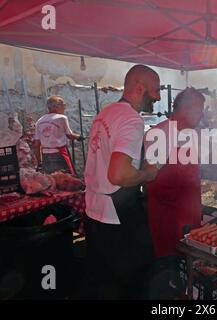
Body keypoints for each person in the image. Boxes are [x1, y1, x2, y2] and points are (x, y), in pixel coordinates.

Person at [84, 65, 160, 299]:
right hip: (117, 216)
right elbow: (118, 175)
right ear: (140, 88)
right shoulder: (132, 119)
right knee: (133, 285)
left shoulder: (106, 112)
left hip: (93, 213)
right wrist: (148, 173)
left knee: (103, 284)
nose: (157, 97)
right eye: (156, 91)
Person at [144, 88, 205, 298]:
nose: (202, 114)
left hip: (190, 216)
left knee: (190, 269)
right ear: (186, 109)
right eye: (200, 109)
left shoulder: (191, 134)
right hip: (169, 220)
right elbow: (150, 180)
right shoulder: (159, 135)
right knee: (170, 273)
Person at [33, 95, 83, 174]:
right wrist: (79, 137)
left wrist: (39, 162)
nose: (64, 107)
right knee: (66, 181)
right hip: (59, 155)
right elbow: (69, 135)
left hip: (46, 156)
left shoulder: (39, 121)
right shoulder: (61, 118)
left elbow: (36, 145)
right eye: (63, 104)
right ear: (55, 106)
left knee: (53, 181)